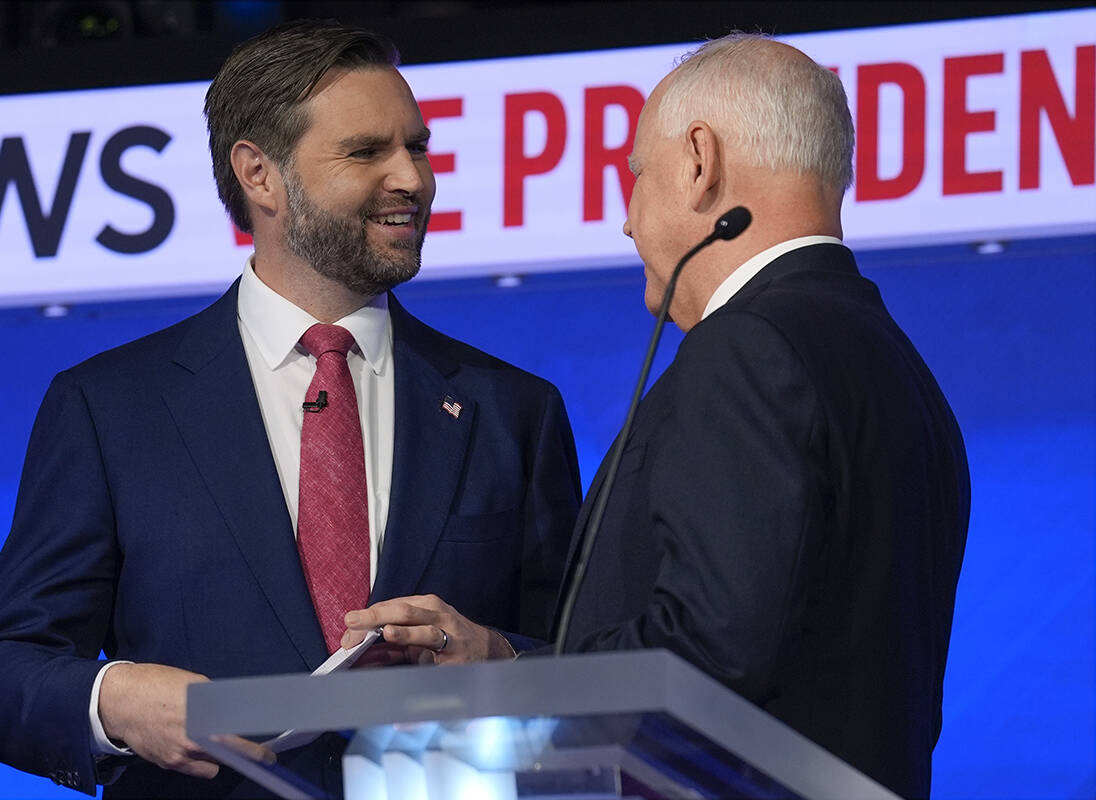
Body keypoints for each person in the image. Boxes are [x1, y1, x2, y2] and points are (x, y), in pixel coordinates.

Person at [0, 19, 580, 799]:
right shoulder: (110, 409)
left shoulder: (513, 410)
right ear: (259, 174)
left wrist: (497, 657)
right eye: (367, 152)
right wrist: (114, 700)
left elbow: (585, 668)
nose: (412, 179)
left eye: (416, 147)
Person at [344, 33, 969, 799]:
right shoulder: (895, 364)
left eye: (637, 174)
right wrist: (504, 662)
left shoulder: (747, 350)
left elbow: (707, 656)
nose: (628, 222)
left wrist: (507, 700)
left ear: (700, 162)